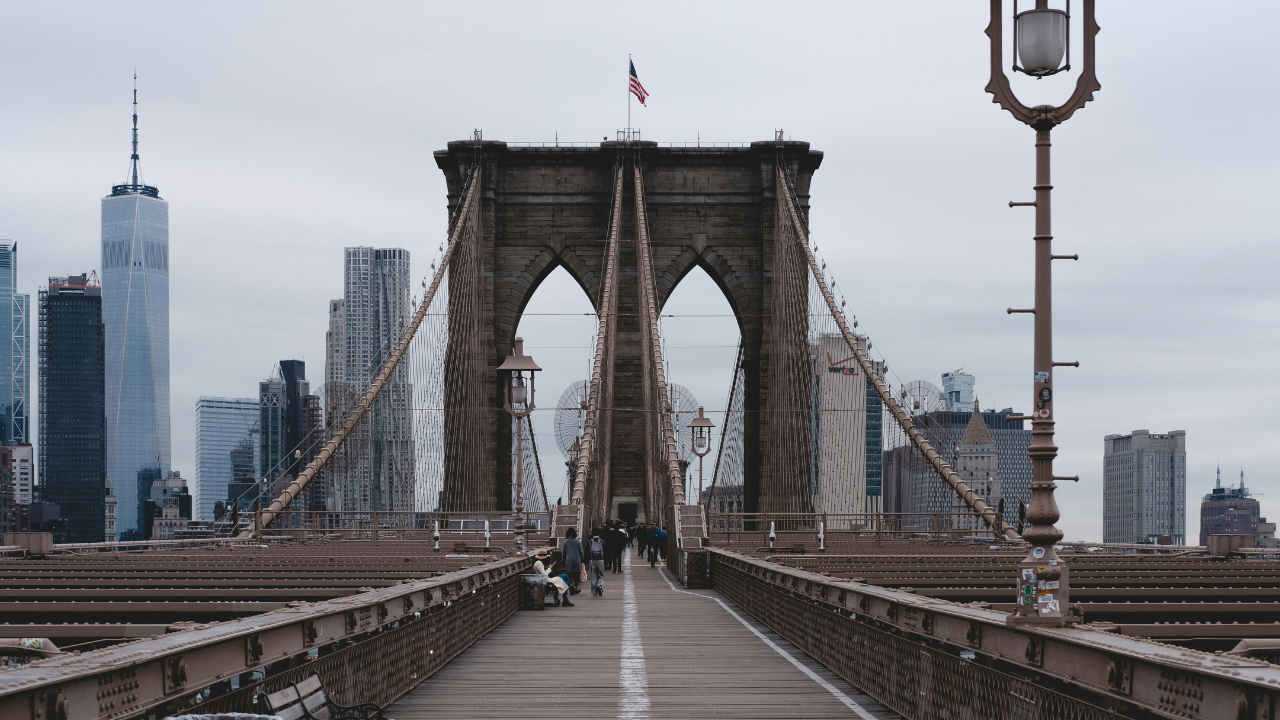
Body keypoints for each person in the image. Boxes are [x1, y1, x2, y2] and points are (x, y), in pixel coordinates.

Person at [562, 527, 583, 595]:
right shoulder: (577, 541)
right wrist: (583, 559)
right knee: (577, 574)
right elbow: (581, 551)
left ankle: (570, 588)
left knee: (570, 574)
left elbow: (564, 553)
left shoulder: (565, 542)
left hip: (569, 560)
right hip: (577, 559)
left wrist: (563, 561)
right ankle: (575, 587)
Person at [587, 530, 606, 596]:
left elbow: (586, 552)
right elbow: (606, 552)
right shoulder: (602, 542)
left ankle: (594, 592)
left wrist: (586, 561)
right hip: (601, 561)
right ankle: (600, 585)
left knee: (594, 576)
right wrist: (607, 561)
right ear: (599, 534)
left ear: (592, 534)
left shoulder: (590, 542)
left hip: (592, 561)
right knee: (601, 575)